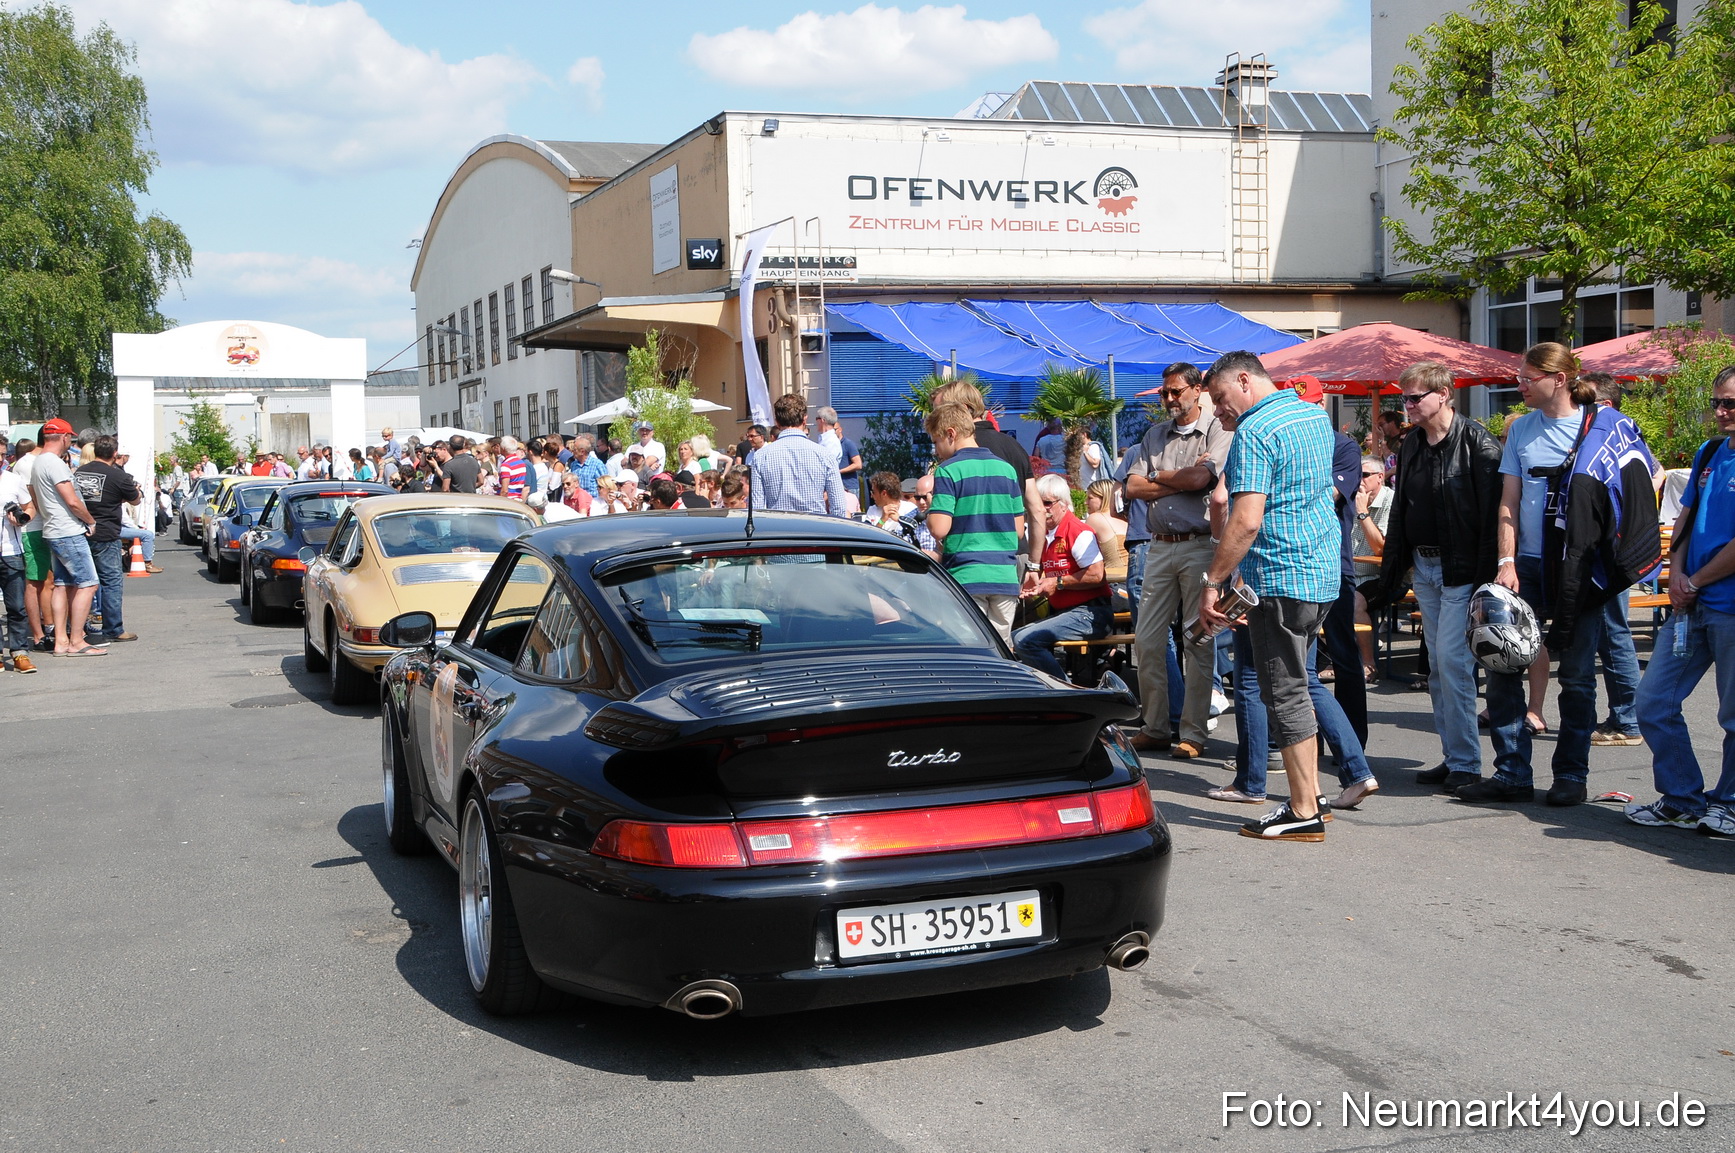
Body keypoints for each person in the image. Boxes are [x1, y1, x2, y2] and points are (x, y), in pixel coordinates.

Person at [1458, 342, 1651, 808]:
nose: (1520, 386)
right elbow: (1508, 502)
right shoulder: (1522, 429)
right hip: (1525, 564)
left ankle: (1570, 775)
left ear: (1559, 379)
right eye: (1519, 378)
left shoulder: (1604, 428)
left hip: (1579, 568)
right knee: (1503, 667)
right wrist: (1506, 562)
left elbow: (1643, 479)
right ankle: (1512, 774)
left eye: (1528, 378)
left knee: (1579, 676)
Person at [1197, 352, 1339, 842]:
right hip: (1320, 571)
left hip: (1280, 575)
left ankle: (1303, 810)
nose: (1218, 409)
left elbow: (1245, 519)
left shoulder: (1255, 430)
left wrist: (1213, 582)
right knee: (1296, 685)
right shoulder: (1310, 414)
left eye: (1219, 398)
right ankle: (1313, 795)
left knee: (1284, 693)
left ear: (1244, 380)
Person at [1365, 362, 1502, 792]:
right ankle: (1456, 756)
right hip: (1424, 568)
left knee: (1453, 664)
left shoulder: (1478, 443)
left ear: (1443, 394)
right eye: (1402, 397)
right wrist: (1396, 569)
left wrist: (1489, 576)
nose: (1406, 405)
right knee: (1440, 668)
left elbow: (1494, 517)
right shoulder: (1411, 444)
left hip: (1461, 570)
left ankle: (1465, 763)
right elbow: (1403, 512)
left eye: (1414, 397)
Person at [1627, 365, 1735, 835]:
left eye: (1730, 403)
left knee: (1733, 717)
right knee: (1653, 702)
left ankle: (1728, 803)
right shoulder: (1711, 452)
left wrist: (1694, 581)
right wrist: (1677, 575)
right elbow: (1685, 520)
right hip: (1694, 604)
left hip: (1726, 605)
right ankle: (1682, 798)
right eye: (1717, 402)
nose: (1721, 411)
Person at [1124, 362, 1232, 758]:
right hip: (1158, 544)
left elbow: (1201, 481)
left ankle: (1193, 732)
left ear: (1196, 390)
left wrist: (1158, 476)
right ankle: (1155, 726)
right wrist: (1177, 477)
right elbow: (1132, 487)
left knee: (1197, 640)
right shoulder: (1154, 434)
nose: (1169, 399)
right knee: (1147, 639)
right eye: (1164, 393)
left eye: (1176, 392)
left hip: (1200, 545)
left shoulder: (1218, 428)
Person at [1291, 376, 1372, 746]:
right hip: (1295, 563)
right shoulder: (1289, 443)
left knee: (1342, 651)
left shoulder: (1343, 446)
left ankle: (1353, 741)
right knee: (1300, 663)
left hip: (1333, 563)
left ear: (1321, 404)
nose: (1303, 413)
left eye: (1309, 405)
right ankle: (1309, 741)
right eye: (1297, 407)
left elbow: (1332, 495)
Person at [1584, 371, 1661, 747]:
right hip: (1613, 548)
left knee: (1612, 632)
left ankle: (1628, 719)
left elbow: (1654, 476)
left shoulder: (1613, 433)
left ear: (1605, 404)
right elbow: (1656, 473)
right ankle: (1624, 716)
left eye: (1584, 400)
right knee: (1608, 632)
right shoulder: (1624, 434)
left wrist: (1622, 514)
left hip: (1610, 552)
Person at [924, 402, 1025, 644]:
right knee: (1001, 648)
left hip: (967, 575)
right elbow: (1018, 530)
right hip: (1004, 576)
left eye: (936, 441)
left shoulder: (948, 471)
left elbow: (939, 528)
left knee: (970, 648)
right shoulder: (1006, 470)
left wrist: (931, 511)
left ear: (951, 434)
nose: (936, 450)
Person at [1012, 474, 1112, 679]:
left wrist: (1058, 582)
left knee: (1025, 641)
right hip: (1065, 613)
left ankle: (1064, 689)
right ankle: (1052, 687)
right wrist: (1036, 585)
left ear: (1064, 504)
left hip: (1091, 613)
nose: (1042, 509)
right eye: (1038, 503)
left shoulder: (1077, 531)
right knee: (1013, 638)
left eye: (1047, 503)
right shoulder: (1043, 535)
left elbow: (1097, 575)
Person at [29, 420, 105, 657]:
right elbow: (72, 500)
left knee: (63, 584)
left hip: (53, 529)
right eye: (70, 438)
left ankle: (61, 640)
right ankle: (76, 641)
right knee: (88, 583)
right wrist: (90, 521)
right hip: (68, 530)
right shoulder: (55, 463)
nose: (70, 442)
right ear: (63, 437)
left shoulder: (39, 461)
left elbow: (34, 494)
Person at [75, 435, 142, 643]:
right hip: (106, 533)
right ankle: (113, 628)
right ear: (114, 453)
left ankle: (77, 627)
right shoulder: (118, 476)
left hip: (80, 531)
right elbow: (136, 500)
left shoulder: (79, 473)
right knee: (111, 582)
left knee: (80, 583)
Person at [749, 393, 848, 516]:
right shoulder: (825, 455)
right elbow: (839, 507)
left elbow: (756, 508)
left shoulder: (760, 456)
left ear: (777, 422)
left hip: (777, 526)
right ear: (805, 420)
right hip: (816, 525)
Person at [1349, 455, 1392, 681]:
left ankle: (1369, 663)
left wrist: (1363, 512)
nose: (1360, 480)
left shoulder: (1390, 501)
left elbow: (1380, 549)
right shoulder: (1349, 498)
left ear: (1380, 477)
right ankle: (1333, 661)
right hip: (1351, 573)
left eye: (1365, 475)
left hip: (1383, 576)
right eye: (1357, 475)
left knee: (1355, 602)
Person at [1, 462, 37, 671]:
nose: (0, 459)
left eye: (2, 455)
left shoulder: (13, 480)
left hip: (11, 552)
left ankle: (19, 653)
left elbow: (30, 507)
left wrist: (23, 519)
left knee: (16, 606)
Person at [861, 471, 919, 544]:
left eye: (873, 492)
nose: (871, 496)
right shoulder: (872, 510)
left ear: (884, 493)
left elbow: (916, 537)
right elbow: (868, 539)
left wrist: (900, 520)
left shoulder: (911, 509)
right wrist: (882, 520)